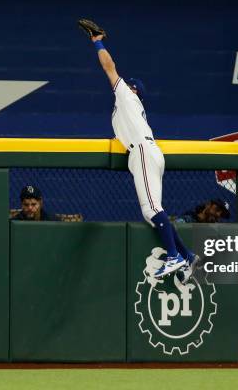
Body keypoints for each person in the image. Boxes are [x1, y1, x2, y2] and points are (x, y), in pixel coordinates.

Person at [84, 26, 197, 282]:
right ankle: (187, 256)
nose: (122, 85)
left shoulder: (126, 95)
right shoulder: (130, 108)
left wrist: (97, 43)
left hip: (143, 152)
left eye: (128, 85)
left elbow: (109, 67)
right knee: (155, 210)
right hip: (147, 152)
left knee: (151, 210)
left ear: (133, 90)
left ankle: (173, 256)